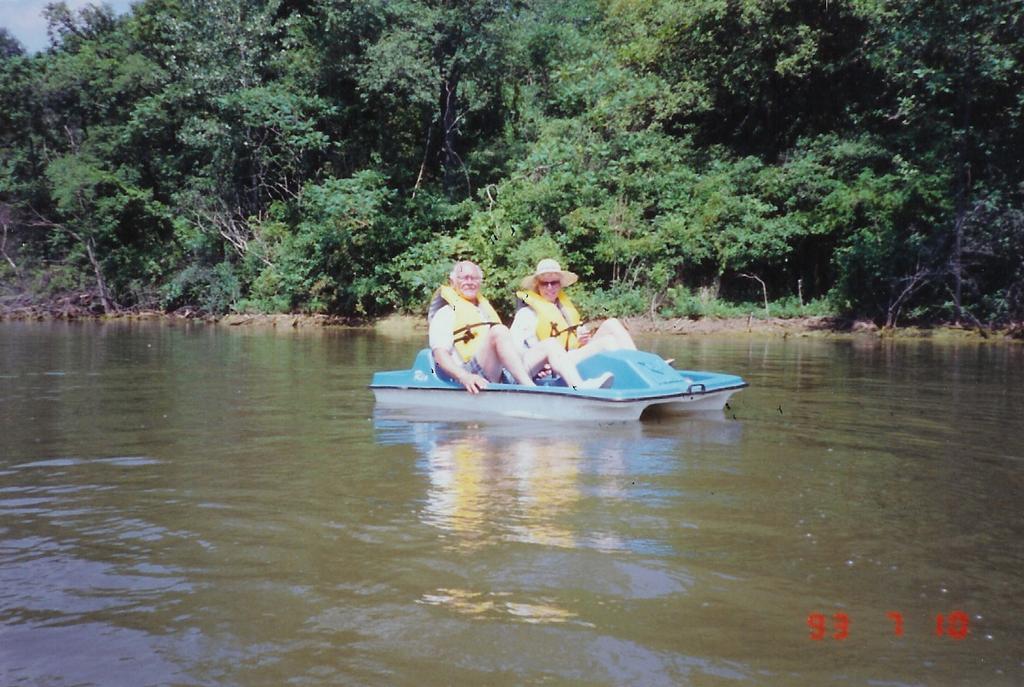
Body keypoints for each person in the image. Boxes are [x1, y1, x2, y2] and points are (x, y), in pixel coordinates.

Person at [429, 260, 613, 394]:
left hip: (503, 370)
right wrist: (464, 377)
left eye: (474, 278)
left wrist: (540, 362)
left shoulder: (483, 310)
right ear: (453, 282)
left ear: (480, 282)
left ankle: (579, 388)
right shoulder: (445, 313)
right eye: (464, 277)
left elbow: (512, 348)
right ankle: (530, 390)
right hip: (472, 373)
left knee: (550, 344)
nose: (469, 282)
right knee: (499, 331)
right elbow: (440, 355)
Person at [510, 258, 637, 364]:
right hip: (558, 362)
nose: (550, 287)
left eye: (554, 282)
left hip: (574, 354)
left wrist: (583, 340)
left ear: (560, 285)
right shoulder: (526, 314)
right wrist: (538, 365)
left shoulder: (565, 309)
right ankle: (629, 375)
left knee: (612, 324)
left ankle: (639, 364)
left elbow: (574, 341)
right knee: (608, 342)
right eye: (544, 283)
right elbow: (515, 347)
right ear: (537, 286)